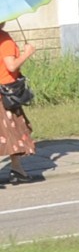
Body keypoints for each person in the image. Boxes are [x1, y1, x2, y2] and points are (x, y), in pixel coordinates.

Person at [0, 23, 40, 183]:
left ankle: (17, 169)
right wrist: (27, 53)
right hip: (5, 94)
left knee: (12, 133)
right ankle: (17, 170)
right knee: (10, 131)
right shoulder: (4, 39)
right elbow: (11, 66)